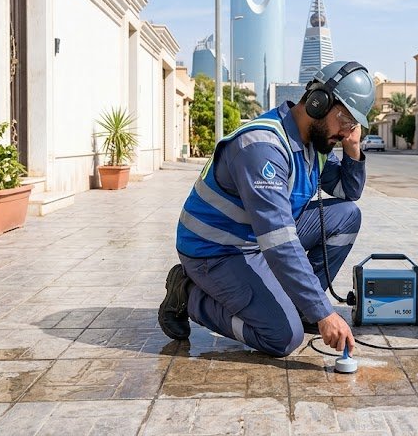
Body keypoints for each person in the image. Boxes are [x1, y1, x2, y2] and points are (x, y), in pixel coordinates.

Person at [158, 61, 374, 357]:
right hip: (217, 251)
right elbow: (279, 242)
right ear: (318, 102)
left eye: (354, 125)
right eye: (346, 121)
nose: (348, 131)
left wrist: (353, 148)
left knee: (346, 216)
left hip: (256, 240)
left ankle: (300, 307)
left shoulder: (313, 143)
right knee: (283, 337)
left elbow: (349, 192)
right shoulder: (262, 147)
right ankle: (189, 294)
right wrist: (324, 313)